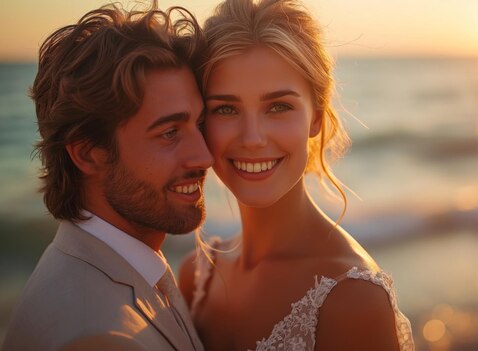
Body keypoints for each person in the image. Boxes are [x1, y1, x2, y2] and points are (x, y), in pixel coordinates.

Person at [179, 0, 415, 350]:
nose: (253, 138)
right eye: (226, 109)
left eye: (278, 107)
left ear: (316, 117)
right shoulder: (195, 274)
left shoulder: (353, 299)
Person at [2, 3, 211, 351]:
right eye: (169, 132)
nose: (205, 155)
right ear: (87, 153)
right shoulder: (99, 337)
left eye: (199, 123)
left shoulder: (111, 267)